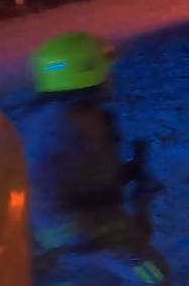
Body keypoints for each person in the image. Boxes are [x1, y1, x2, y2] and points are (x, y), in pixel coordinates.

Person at [23, 31, 169, 285]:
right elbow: (50, 195)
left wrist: (130, 174)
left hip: (75, 223)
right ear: (86, 78)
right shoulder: (70, 125)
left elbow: (84, 176)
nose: (111, 77)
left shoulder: (59, 116)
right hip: (76, 227)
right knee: (154, 277)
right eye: (106, 71)